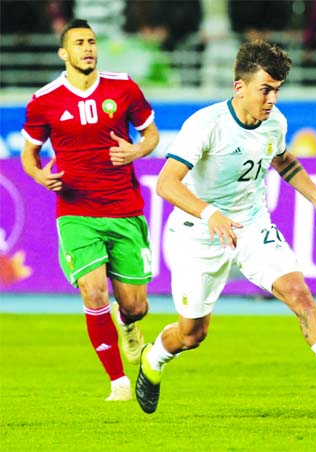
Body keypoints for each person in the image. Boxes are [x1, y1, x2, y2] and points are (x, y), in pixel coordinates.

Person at [135, 40, 316, 416]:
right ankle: (154, 358)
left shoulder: (275, 122)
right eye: (266, 89)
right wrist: (211, 214)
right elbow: (167, 184)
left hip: (252, 225)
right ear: (239, 88)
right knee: (192, 334)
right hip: (198, 233)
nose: (272, 99)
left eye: (276, 90)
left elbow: (282, 160)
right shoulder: (206, 126)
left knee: (299, 294)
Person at [20, 19, 159, 401]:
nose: (88, 48)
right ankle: (117, 383)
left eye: (92, 42)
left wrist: (137, 150)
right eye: (80, 43)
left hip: (124, 208)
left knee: (136, 305)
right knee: (94, 290)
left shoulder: (123, 86)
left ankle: (128, 324)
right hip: (76, 210)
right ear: (64, 53)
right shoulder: (44, 100)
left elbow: (150, 133)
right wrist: (39, 177)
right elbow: (29, 157)